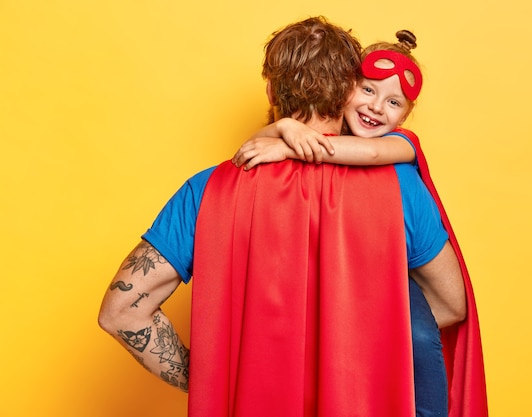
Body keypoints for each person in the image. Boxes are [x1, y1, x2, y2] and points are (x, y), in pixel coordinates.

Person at [98, 17, 470, 417]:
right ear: (349, 90)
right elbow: (450, 305)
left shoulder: (206, 190)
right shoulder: (397, 185)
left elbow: (122, 312)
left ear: (272, 89)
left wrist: (214, 379)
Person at [232, 30, 489, 417]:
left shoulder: (401, 148)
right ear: (344, 89)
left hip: (409, 353)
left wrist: (290, 142)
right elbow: (250, 148)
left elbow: (367, 151)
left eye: (393, 102)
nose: (377, 108)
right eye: (367, 91)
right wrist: (286, 128)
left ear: (405, 115)